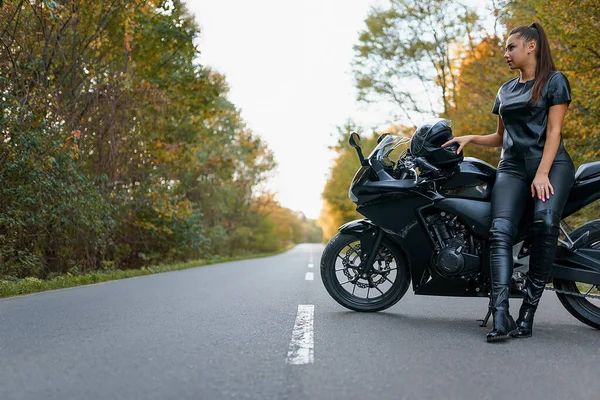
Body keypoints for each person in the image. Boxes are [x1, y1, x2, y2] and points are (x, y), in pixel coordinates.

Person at [442, 22, 575, 342]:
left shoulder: (554, 81)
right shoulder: (505, 89)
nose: (505, 53)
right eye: (505, 48)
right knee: (499, 231)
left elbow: (554, 132)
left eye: (510, 47)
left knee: (545, 223)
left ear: (531, 47)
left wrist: (542, 173)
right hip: (512, 167)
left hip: (552, 164)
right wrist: (472, 137)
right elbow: (501, 138)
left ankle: (527, 313)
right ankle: (501, 316)